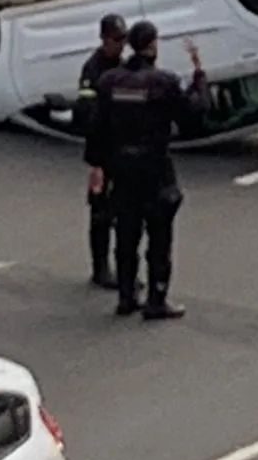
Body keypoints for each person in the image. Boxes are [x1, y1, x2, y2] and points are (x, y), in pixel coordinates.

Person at [85, 19, 210, 320]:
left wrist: (97, 165)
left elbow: (96, 128)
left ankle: (126, 297)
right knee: (159, 237)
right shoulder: (163, 82)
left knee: (126, 234)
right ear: (153, 46)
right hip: (155, 168)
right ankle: (156, 298)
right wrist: (199, 76)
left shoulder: (109, 82)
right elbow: (195, 112)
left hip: (121, 168)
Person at [74, 13, 128, 289]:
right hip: (101, 152)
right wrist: (95, 162)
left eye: (124, 40)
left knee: (122, 211)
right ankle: (100, 268)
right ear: (104, 39)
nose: (121, 45)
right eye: (117, 40)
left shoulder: (120, 65)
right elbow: (85, 114)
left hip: (119, 149)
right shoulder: (93, 70)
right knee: (101, 212)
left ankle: (120, 269)